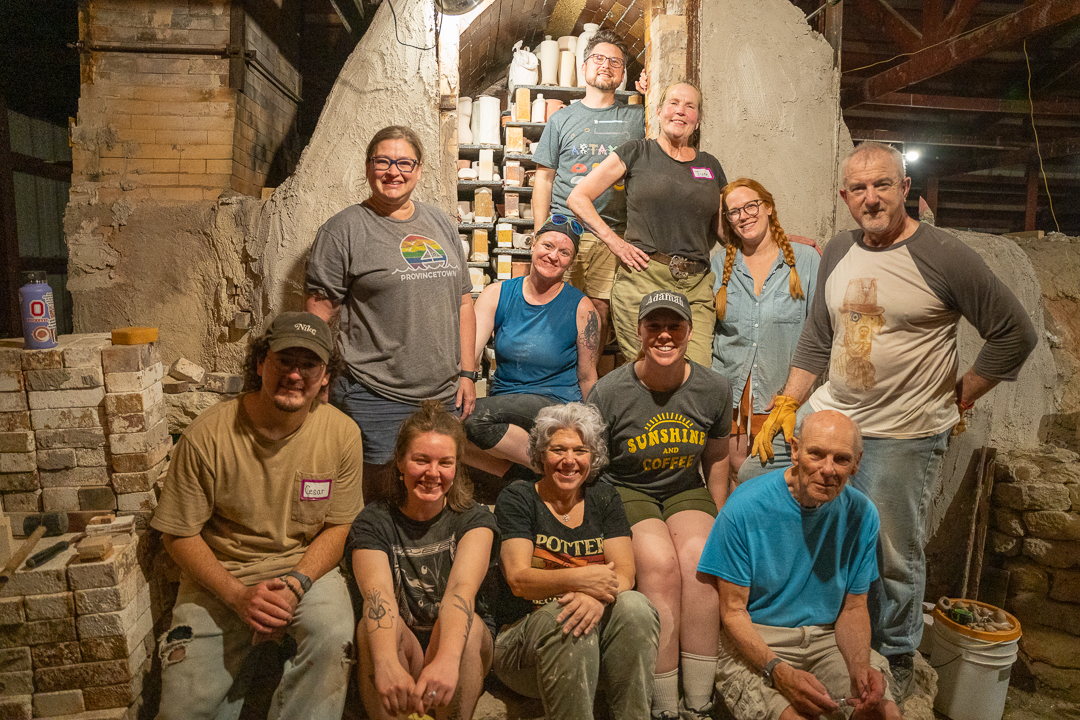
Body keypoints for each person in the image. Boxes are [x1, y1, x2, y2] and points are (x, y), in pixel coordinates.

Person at [752, 141, 1038, 699]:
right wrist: (787, 405)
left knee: (891, 550)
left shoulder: (944, 255)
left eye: (883, 184)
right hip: (834, 416)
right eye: (858, 188)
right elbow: (817, 337)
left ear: (906, 188)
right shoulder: (837, 250)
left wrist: (965, 394)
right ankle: (809, 627)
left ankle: (896, 655)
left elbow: (1015, 334)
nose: (871, 197)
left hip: (903, 431)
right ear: (845, 197)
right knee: (758, 486)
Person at [152, 312, 363, 720]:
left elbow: (340, 525)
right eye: (285, 360)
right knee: (183, 711)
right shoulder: (207, 435)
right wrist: (237, 596)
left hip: (304, 572)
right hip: (221, 574)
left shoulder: (341, 435)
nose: (295, 375)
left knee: (333, 636)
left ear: (325, 378)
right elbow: (177, 535)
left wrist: (298, 583)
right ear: (260, 363)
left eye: (309, 365)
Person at [305, 125, 477, 504]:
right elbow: (319, 313)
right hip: (375, 392)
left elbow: (463, 300)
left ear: (419, 169)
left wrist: (467, 372)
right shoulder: (343, 231)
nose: (393, 172)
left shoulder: (440, 224)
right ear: (368, 167)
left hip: (442, 393)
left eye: (404, 162)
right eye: (382, 161)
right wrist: (318, 377)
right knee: (381, 498)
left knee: (432, 491)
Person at [699, 410, 901, 720]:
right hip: (757, 639)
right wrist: (777, 671)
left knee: (881, 711)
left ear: (857, 462)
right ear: (795, 451)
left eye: (842, 459)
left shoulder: (862, 515)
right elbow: (733, 613)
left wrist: (860, 665)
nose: (828, 470)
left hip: (825, 639)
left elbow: (853, 608)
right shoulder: (746, 507)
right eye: (816, 454)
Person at [587, 290, 731, 720]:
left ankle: (700, 701)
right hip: (627, 488)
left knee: (700, 559)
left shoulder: (713, 387)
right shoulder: (609, 391)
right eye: (654, 326)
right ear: (639, 331)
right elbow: (591, 466)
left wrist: (717, 518)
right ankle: (665, 705)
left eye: (674, 327)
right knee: (660, 563)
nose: (664, 335)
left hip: (685, 487)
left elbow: (718, 458)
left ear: (689, 332)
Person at [493, 402, 660, 720]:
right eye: (558, 450)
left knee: (636, 607)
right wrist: (581, 581)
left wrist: (595, 594)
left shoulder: (603, 497)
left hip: (591, 635)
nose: (569, 461)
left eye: (580, 451)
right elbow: (519, 580)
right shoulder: (519, 497)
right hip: (522, 645)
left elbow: (625, 573)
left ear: (592, 457)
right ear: (542, 454)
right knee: (569, 620)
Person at [347, 401, 497, 720]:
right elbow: (378, 595)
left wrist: (445, 659)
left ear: (456, 468)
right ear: (400, 463)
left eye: (445, 462)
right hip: (407, 645)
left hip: (458, 642)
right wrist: (387, 663)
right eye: (421, 460)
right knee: (369, 629)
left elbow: (461, 591)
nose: (432, 473)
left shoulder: (474, 520)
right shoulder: (373, 522)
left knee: (467, 631)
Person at [569, 81, 727, 366]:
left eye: (690, 106)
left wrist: (777, 240)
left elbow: (724, 229)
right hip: (644, 278)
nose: (680, 111)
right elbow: (578, 197)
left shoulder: (710, 165)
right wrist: (615, 243)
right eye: (673, 104)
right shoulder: (637, 152)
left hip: (696, 284)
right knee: (647, 372)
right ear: (658, 112)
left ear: (698, 119)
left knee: (697, 374)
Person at [532, 28, 647, 362]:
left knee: (598, 310)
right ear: (584, 68)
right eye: (599, 58)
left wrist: (653, 91)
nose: (606, 66)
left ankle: (586, 378)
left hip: (611, 231)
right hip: (566, 228)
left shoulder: (637, 118)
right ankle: (553, 376)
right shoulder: (562, 119)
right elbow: (545, 177)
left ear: (623, 74)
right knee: (555, 303)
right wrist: (543, 231)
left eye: (615, 62)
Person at [464, 216, 600, 479]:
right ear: (533, 244)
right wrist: (464, 380)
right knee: (447, 426)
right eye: (548, 246)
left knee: (471, 419)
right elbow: (471, 350)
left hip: (556, 405)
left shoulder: (582, 308)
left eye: (564, 252)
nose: (553, 256)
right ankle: (532, 475)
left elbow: (587, 376)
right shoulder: (497, 293)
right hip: (504, 402)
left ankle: (554, 469)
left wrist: (590, 431)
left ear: (571, 261)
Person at [712, 179, 820, 484]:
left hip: (780, 393)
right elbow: (710, 332)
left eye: (751, 206)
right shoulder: (719, 265)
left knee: (772, 477)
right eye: (734, 212)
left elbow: (821, 332)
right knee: (734, 472)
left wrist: (799, 391)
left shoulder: (805, 260)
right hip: (731, 393)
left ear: (768, 207)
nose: (744, 216)